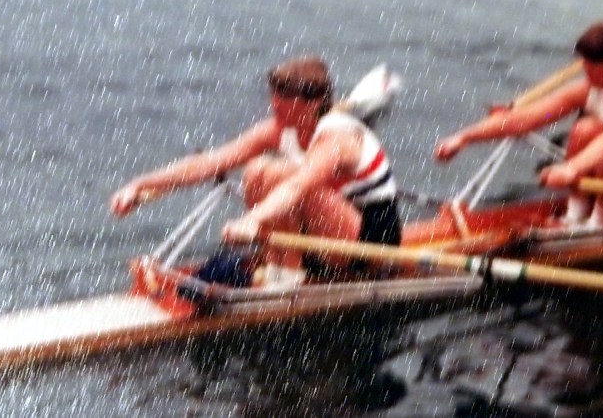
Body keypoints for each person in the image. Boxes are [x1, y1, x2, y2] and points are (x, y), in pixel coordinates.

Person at [110, 55, 401, 283]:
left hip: (369, 245)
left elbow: (296, 187)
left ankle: (286, 276)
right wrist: (140, 184)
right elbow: (211, 162)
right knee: (256, 169)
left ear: (312, 104)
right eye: (275, 95)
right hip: (327, 236)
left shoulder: (338, 138)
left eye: (286, 99)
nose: (275, 103)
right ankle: (280, 268)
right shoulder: (279, 130)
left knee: (280, 174)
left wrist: (251, 220)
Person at [434, 18, 603, 228]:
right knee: (584, 129)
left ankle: (599, 224)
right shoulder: (591, 89)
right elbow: (525, 120)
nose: (582, 66)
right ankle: (575, 217)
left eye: (589, 62)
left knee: (601, 132)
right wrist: (463, 138)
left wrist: (570, 169)